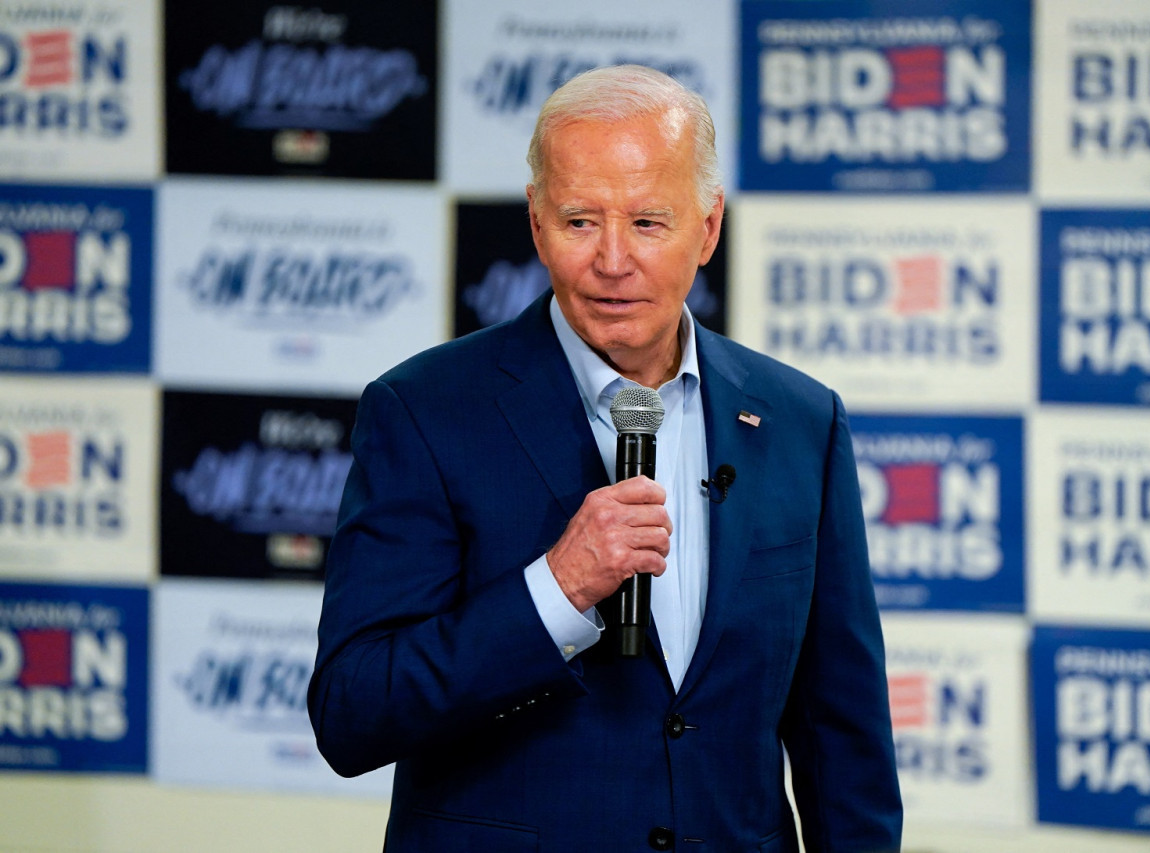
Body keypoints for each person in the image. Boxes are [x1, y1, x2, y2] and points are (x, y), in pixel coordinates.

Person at [309, 64, 902, 852]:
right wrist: (555, 590)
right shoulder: (424, 411)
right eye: (581, 221)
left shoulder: (800, 420)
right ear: (536, 224)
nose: (613, 260)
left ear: (709, 226)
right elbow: (353, 712)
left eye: (649, 223)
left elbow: (844, 738)